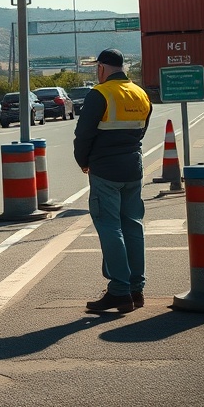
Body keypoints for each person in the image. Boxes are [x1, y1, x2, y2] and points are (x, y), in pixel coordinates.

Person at [73, 48, 153, 313]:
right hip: (133, 169)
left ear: (101, 68)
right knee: (133, 226)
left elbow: (83, 134)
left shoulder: (100, 94)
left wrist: (83, 161)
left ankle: (119, 291)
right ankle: (136, 290)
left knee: (110, 227)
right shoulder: (141, 94)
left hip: (105, 170)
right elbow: (141, 131)